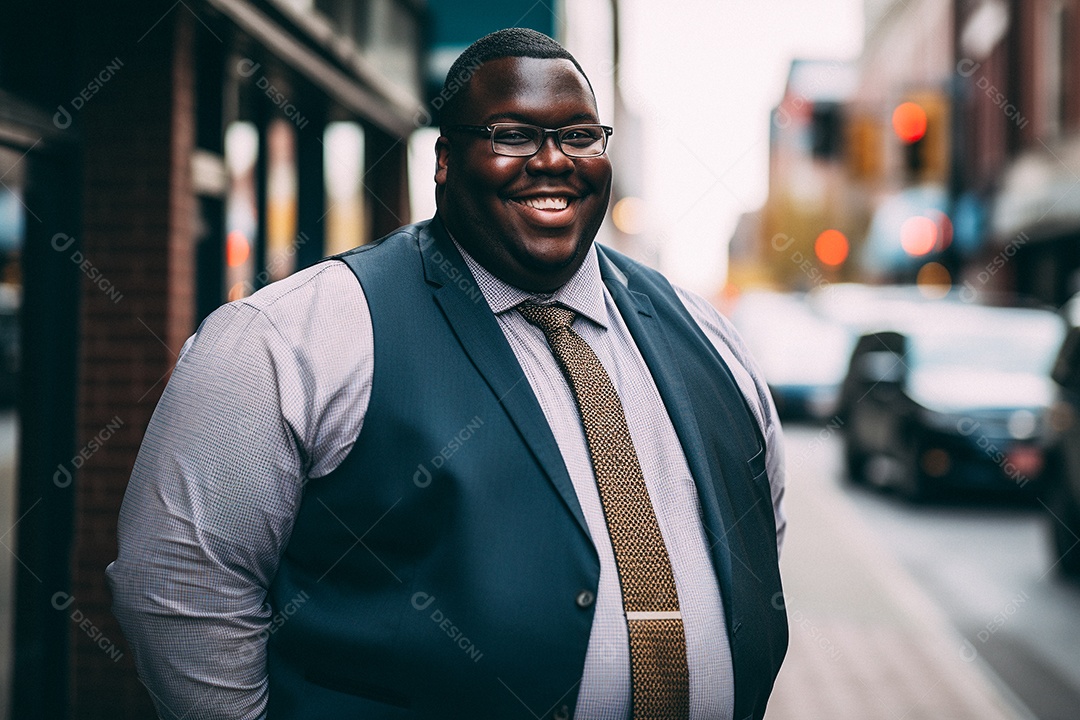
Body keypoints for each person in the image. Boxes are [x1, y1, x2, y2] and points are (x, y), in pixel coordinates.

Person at [108, 28, 788, 720]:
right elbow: (178, 588)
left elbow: (761, 531)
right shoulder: (295, 337)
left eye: (580, 135)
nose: (553, 160)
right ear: (444, 159)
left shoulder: (707, 335)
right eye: (514, 134)